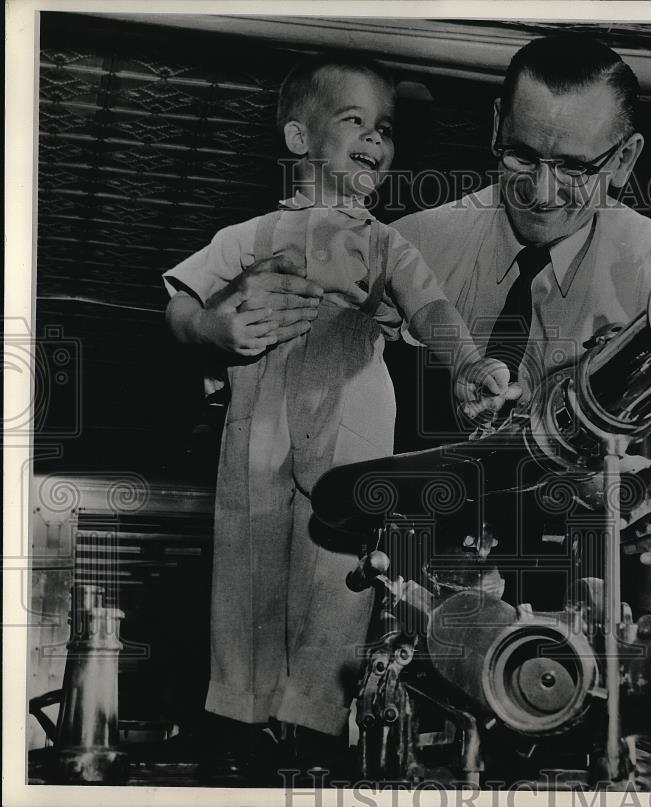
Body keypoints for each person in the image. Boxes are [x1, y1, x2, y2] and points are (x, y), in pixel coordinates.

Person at [162, 53, 506, 780]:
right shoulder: (251, 235)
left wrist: (471, 363)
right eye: (356, 120)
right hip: (256, 427)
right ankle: (238, 716)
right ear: (298, 139)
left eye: (386, 128)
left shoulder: (383, 242)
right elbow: (180, 304)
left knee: (341, 574)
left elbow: (433, 308)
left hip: (350, 429)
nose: (377, 139)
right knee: (245, 567)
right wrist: (214, 330)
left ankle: (316, 722)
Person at [389, 35, 651, 616]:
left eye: (575, 167)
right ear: (496, 124)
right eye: (521, 155)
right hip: (434, 587)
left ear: (624, 160)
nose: (541, 191)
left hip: (594, 594)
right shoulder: (417, 246)